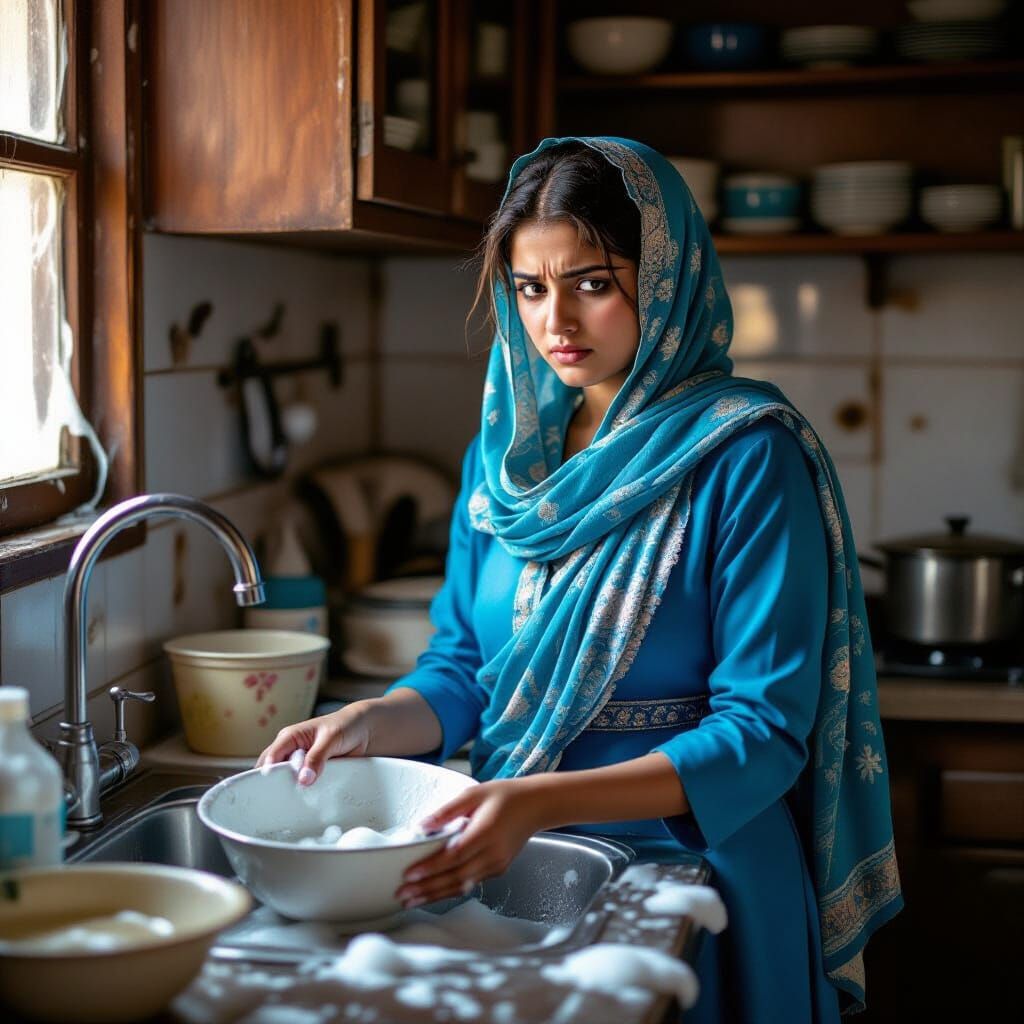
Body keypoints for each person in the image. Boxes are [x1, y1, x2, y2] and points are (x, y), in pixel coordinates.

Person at [257, 137, 903, 1023]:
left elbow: (761, 733)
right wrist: (366, 721)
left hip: (698, 879)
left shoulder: (747, 455)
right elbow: (460, 673)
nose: (555, 319)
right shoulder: (507, 469)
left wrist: (534, 801)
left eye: (593, 283)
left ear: (666, 279)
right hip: (510, 866)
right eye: (530, 288)